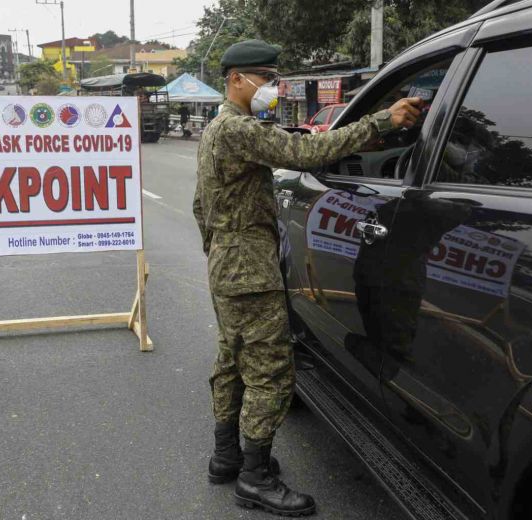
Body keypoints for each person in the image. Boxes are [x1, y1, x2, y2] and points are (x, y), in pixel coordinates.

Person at [192, 38, 423, 516]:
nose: (272, 87)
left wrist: (219, 251)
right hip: (248, 269)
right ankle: (254, 479)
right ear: (236, 79)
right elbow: (310, 151)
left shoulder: (217, 129)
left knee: (233, 360)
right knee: (272, 371)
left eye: (275, 78)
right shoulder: (238, 129)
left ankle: (227, 457)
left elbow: (200, 206)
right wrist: (384, 120)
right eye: (265, 78)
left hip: (228, 264)